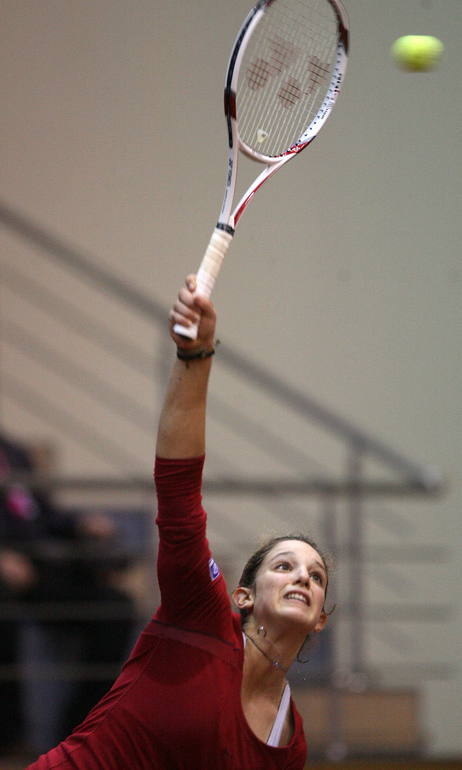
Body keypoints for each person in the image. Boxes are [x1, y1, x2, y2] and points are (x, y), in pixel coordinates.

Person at [25, 275, 330, 770]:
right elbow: (179, 490)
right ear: (243, 596)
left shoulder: (290, 745)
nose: (302, 577)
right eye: (285, 566)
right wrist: (196, 355)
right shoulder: (199, 615)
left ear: (320, 617)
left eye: (316, 576)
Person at [0, 432, 136, 754]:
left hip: (39, 568)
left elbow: (44, 514)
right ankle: (8, 737)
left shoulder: (13, 451)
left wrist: (81, 523)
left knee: (116, 607)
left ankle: (80, 727)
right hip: (7, 577)